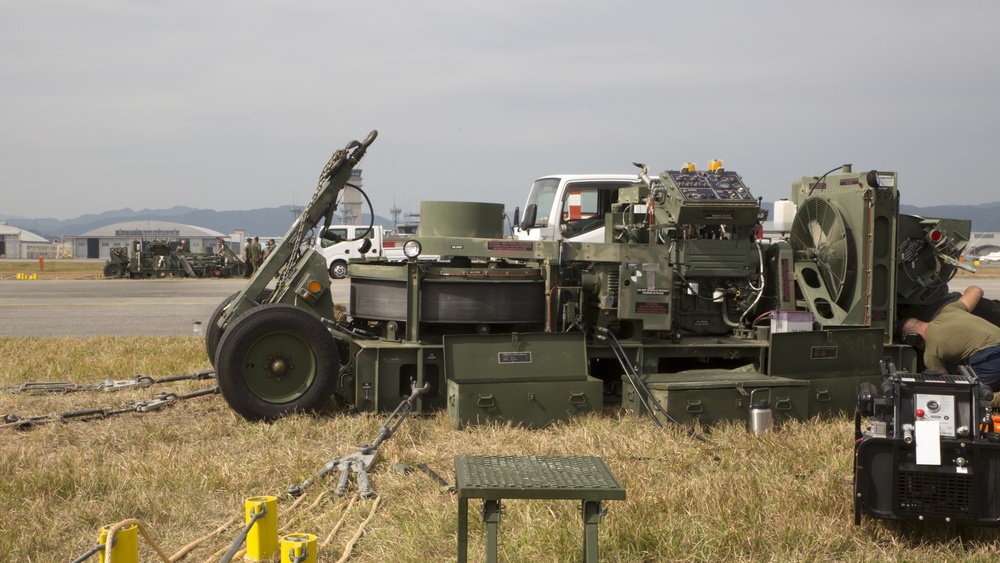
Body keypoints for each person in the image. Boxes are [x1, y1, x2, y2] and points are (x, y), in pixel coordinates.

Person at [900, 285, 1000, 390]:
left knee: (973, 394)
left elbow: (947, 385)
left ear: (912, 338)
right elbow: (976, 290)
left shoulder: (931, 354)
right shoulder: (950, 310)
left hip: (990, 360)